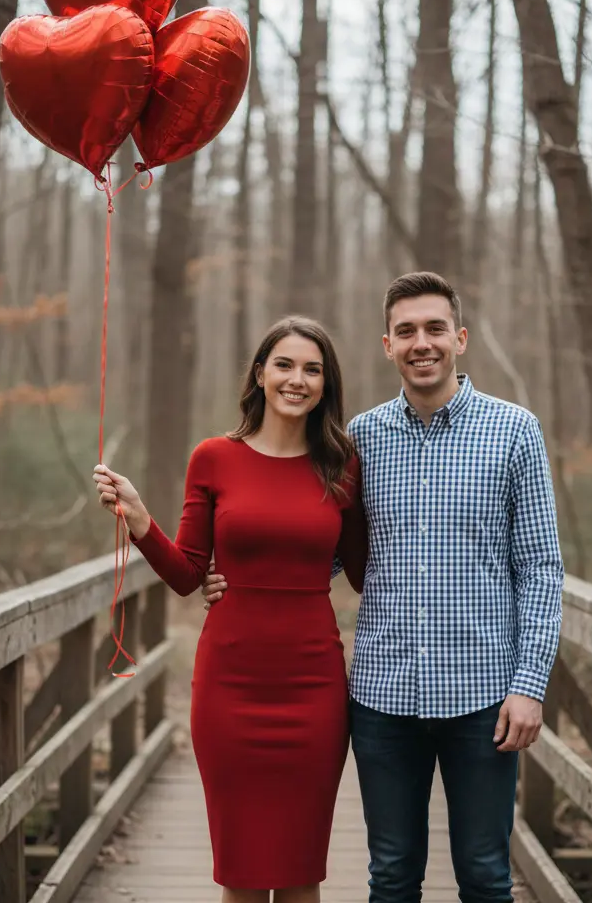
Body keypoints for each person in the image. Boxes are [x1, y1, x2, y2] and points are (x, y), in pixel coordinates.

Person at [202, 272, 565, 903]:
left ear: (459, 338)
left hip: (483, 695)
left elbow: (540, 568)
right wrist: (241, 579)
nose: (422, 342)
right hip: (382, 696)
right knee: (391, 877)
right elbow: (327, 548)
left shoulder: (514, 431)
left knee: (485, 875)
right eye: (406, 331)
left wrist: (529, 685)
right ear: (387, 345)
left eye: (434, 328)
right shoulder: (358, 442)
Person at [93, 316, 367, 903]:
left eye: (312, 369)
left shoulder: (342, 465)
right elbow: (187, 574)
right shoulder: (214, 458)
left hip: (314, 687)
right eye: (284, 365)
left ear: (326, 384)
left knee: (301, 872)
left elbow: (366, 571)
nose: (297, 380)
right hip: (230, 686)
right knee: (240, 873)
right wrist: (139, 518)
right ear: (260, 374)